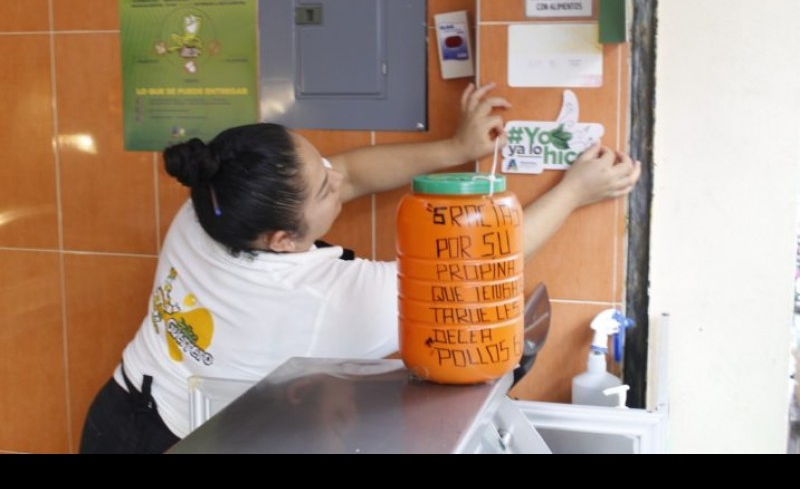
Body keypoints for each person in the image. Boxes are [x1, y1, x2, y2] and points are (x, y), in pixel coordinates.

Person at [79, 83, 640, 453]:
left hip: (115, 411)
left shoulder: (212, 205)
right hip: (185, 442)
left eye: (320, 162)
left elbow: (347, 172)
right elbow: (473, 270)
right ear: (282, 241)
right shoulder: (325, 298)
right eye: (325, 188)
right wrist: (575, 191)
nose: (337, 176)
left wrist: (455, 146)